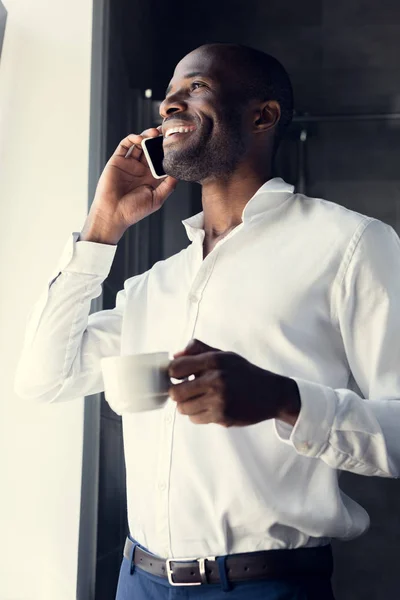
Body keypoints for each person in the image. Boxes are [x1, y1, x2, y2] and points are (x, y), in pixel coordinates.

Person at [14, 42, 400, 600]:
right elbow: (43, 378)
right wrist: (100, 229)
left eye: (194, 88)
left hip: (266, 587)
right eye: (167, 99)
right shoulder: (156, 283)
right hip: (136, 581)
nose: (170, 106)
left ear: (262, 115)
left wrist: (282, 399)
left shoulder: (351, 245)